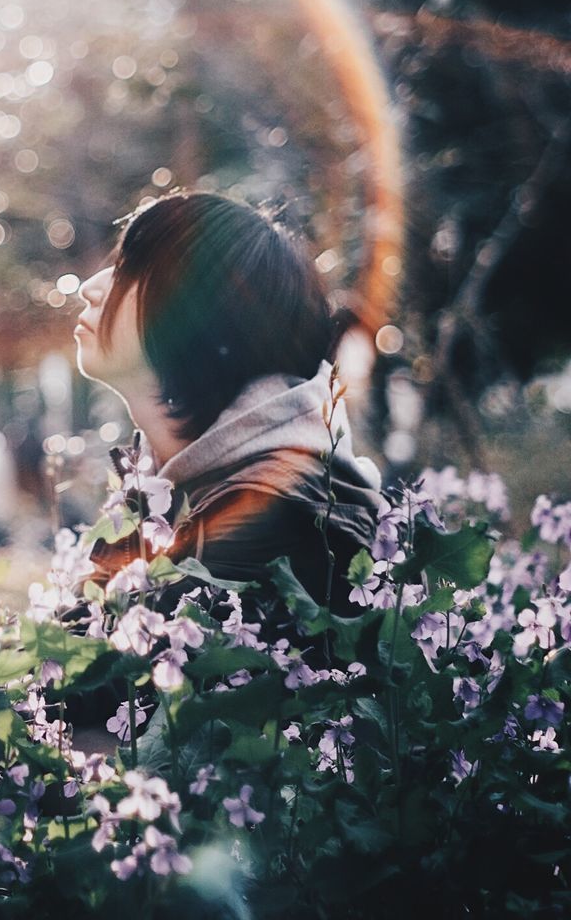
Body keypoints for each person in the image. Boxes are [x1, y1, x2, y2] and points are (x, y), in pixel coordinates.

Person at [73, 189, 385, 616]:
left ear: (195, 315)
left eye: (130, 270)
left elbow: (107, 670)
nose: (90, 289)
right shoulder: (169, 489)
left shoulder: (274, 511)